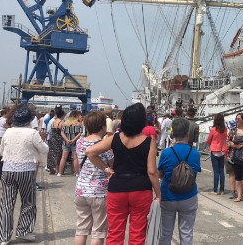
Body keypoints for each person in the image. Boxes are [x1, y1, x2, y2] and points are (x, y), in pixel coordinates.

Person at [86, 102, 161, 245]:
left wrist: (106, 169)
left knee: (115, 232)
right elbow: (152, 171)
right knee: (138, 233)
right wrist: (158, 194)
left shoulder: (115, 138)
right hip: (141, 189)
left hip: (117, 188)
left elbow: (90, 152)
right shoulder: (148, 141)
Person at [0, 106, 48, 244]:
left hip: (8, 169)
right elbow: (44, 150)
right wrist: (42, 140)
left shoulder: (8, 132)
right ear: (29, 119)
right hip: (26, 170)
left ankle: (4, 236)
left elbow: (2, 151)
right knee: (28, 202)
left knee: (7, 203)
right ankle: (23, 231)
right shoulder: (32, 133)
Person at [158, 117, 202, 245]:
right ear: (188, 133)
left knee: (166, 233)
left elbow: (160, 174)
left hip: (168, 196)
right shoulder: (195, 153)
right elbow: (194, 174)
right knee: (187, 233)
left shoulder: (166, 153)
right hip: (189, 196)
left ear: (173, 134)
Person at [74, 111, 113, 245]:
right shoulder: (105, 145)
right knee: (99, 231)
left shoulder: (79, 142)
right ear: (103, 126)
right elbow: (113, 165)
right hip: (99, 191)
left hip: (81, 189)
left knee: (81, 229)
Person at [206, 113, 228, 195]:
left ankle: (215, 190)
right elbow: (226, 139)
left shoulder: (213, 129)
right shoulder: (225, 129)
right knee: (222, 171)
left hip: (214, 150)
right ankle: (222, 190)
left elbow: (208, 140)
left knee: (216, 172)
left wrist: (210, 144)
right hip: (222, 150)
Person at [59, 110, 83, 176]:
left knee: (63, 158)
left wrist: (67, 140)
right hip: (75, 143)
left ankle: (60, 172)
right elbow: (80, 133)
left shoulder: (65, 123)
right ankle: (77, 173)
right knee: (75, 158)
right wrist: (73, 140)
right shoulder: (78, 124)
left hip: (65, 142)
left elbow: (62, 132)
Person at [47, 107, 65, 174]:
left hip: (52, 139)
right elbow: (63, 132)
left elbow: (50, 131)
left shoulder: (53, 122)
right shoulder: (62, 123)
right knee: (59, 156)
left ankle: (52, 169)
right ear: (62, 116)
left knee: (52, 155)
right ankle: (58, 170)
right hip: (59, 140)